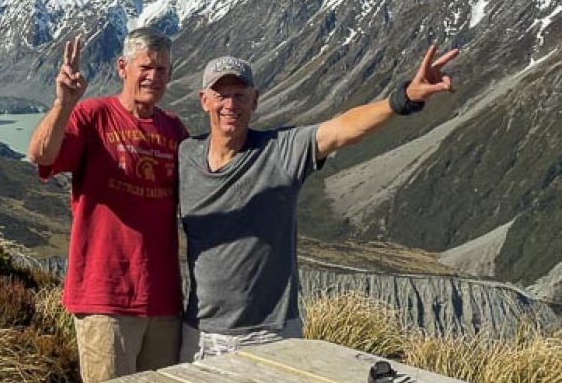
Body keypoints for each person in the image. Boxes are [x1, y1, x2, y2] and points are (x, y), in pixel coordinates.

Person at [178, 45, 459, 363]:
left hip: (268, 336)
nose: (230, 104)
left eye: (240, 95)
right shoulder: (184, 156)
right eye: (220, 95)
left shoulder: (281, 151)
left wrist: (405, 97)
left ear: (255, 100)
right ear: (204, 101)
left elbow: (344, 129)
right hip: (198, 334)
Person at [27, 27, 188, 383]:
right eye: (145, 67)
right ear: (123, 68)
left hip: (161, 300)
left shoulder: (174, 129)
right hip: (104, 295)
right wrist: (63, 102)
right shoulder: (93, 116)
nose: (153, 77)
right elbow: (40, 153)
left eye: (161, 69)